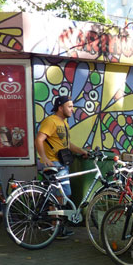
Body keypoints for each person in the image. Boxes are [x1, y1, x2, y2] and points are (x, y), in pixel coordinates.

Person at [35, 95, 89, 239]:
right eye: (69, 106)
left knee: (63, 195)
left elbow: (67, 144)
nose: (72, 109)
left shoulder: (64, 123)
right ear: (60, 107)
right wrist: (44, 158)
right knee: (57, 196)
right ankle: (55, 228)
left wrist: (82, 151)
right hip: (53, 163)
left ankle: (57, 226)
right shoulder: (51, 121)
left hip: (62, 164)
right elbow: (39, 139)